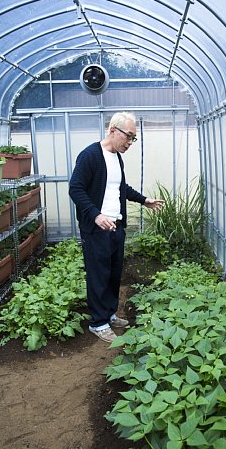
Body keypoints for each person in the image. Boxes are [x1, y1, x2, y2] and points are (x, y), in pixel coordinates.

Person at [69, 112, 164, 343]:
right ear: (113, 130)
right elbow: (76, 189)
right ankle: (98, 323)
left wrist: (144, 200)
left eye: (134, 138)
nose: (130, 143)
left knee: (113, 273)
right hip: (97, 228)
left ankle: (109, 313)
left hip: (115, 226)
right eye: (129, 137)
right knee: (98, 275)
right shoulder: (90, 155)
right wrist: (95, 215)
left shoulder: (116, 158)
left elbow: (121, 187)